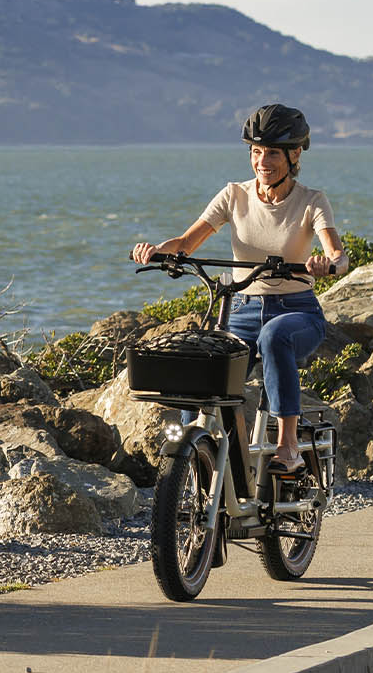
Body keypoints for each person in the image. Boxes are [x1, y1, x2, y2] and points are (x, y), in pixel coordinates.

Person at [132, 103, 348, 473]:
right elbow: (186, 241)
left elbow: (337, 254)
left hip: (297, 312)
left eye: (273, 153)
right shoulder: (234, 195)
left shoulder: (312, 201)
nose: (263, 161)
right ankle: (194, 454)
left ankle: (288, 447)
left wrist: (327, 264)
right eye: (256, 151)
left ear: (295, 155)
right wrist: (156, 251)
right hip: (244, 310)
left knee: (275, 337)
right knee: (205, 366)